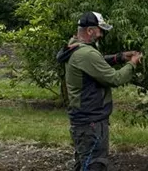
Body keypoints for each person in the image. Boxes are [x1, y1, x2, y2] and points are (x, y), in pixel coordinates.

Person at [56, 11, 142, 171]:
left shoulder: (74, 46)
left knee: (84, 163)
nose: (101, 34)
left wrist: (120, 57)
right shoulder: (87, 53)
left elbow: (97, 60)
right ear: (90, 30)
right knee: (95, 165)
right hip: (92, 124)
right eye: (100, 30)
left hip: (83, 122)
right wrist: (132, 64)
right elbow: (115, 79)